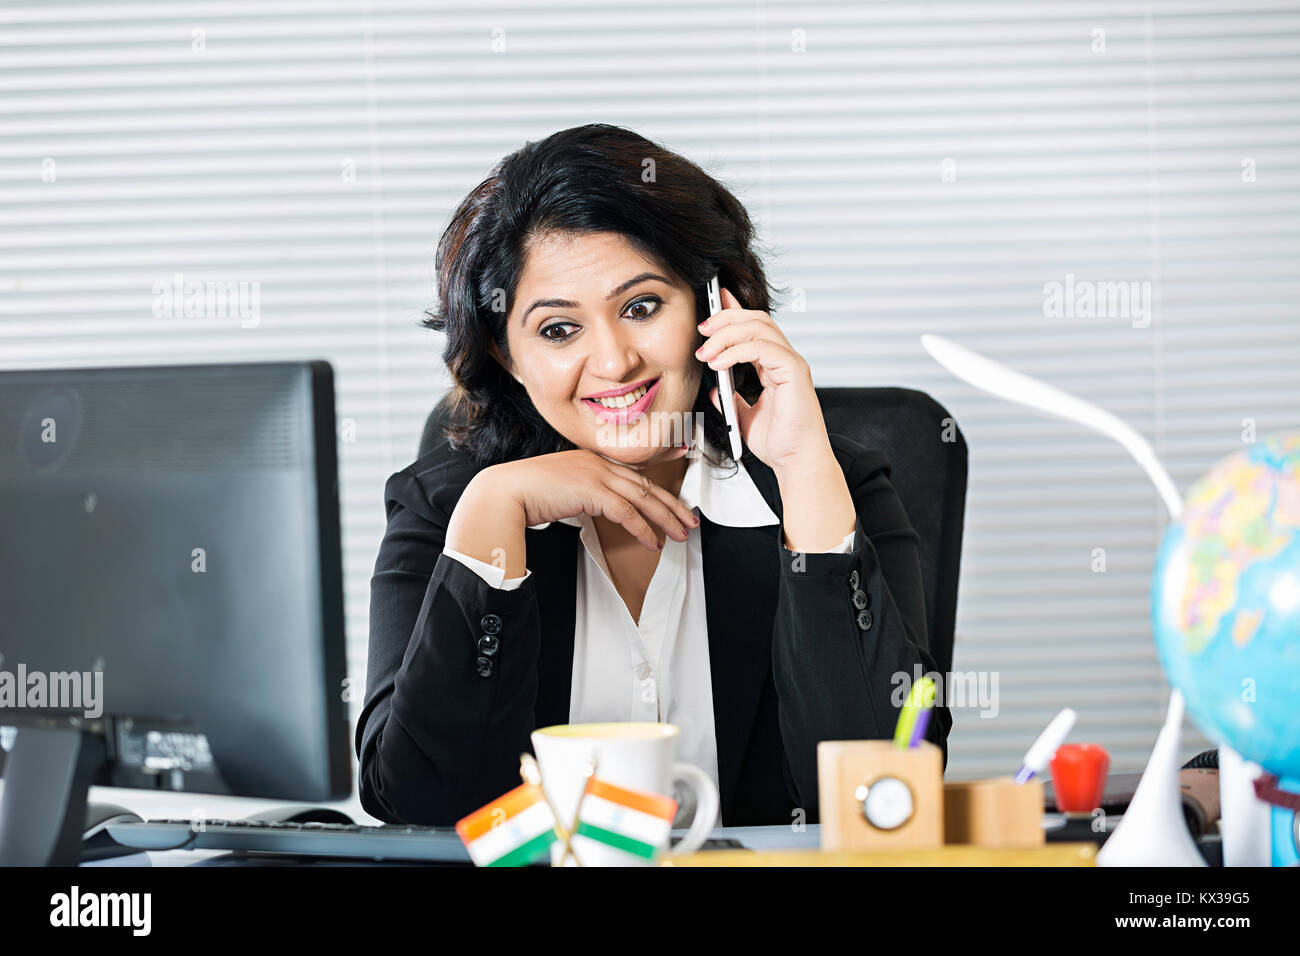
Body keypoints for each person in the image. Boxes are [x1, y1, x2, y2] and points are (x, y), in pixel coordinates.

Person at [356, 123, 950, 828]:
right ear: (506, 353)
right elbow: (423, 806)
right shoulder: (450, 503)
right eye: (557, 330)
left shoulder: (826, 482)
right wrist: (491, 519)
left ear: (711, 306)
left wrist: (802, 473)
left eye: (641, 308)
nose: (613, 362)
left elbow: (878, 794)